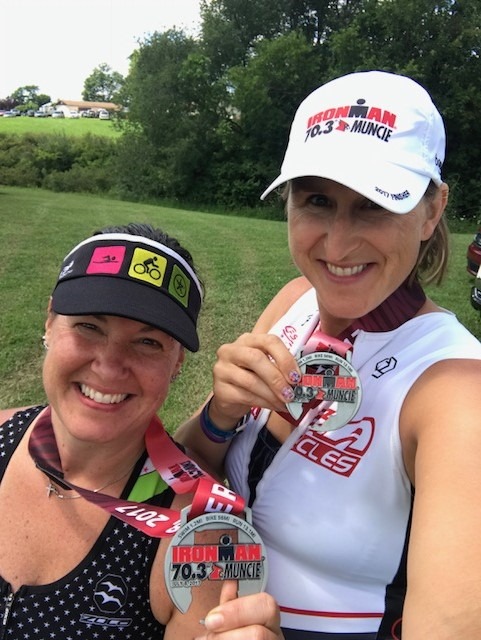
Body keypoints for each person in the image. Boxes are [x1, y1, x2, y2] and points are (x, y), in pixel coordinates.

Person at [175, 70, 481, 639]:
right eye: (317, 200)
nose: (338, 245)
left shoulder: (457, 391)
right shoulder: (294, 301)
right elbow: (190, 463)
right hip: (199, 606)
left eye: (374, 205)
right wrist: (219, 415)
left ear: (432, 211)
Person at [0, 222, 283, 639]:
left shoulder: (200, 535)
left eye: (148, 342)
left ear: (177, 363)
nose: (109, 366)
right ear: (49, 322)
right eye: (89, 327)